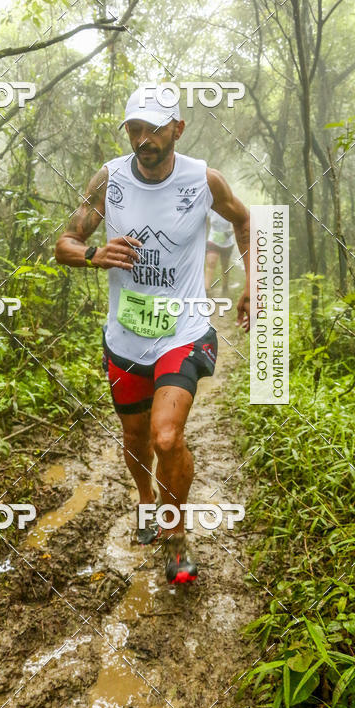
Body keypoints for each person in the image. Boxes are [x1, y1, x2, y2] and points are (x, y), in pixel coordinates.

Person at [54, 84, 250, 586]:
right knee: (135, 436)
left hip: (183, 331)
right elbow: (65, 242)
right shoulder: (110, 180)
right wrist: (94, 255)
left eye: (154, 128)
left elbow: (245, 220)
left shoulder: (203, 180)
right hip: (125, 336)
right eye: (135, 129)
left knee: (166, 434)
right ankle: (146, 500)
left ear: (177, 130)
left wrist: (256, 283)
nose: (144, 139)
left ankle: (175, 527)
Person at [205, 211, 236, 296]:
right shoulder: (211, 207)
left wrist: (225, 235)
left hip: (227, 241)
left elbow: (234, 226)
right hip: (213, 239)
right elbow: (205, 222)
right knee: (211, 263)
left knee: (225, 265)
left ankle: (225, 287)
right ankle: (206, 290)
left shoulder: (228, 208)